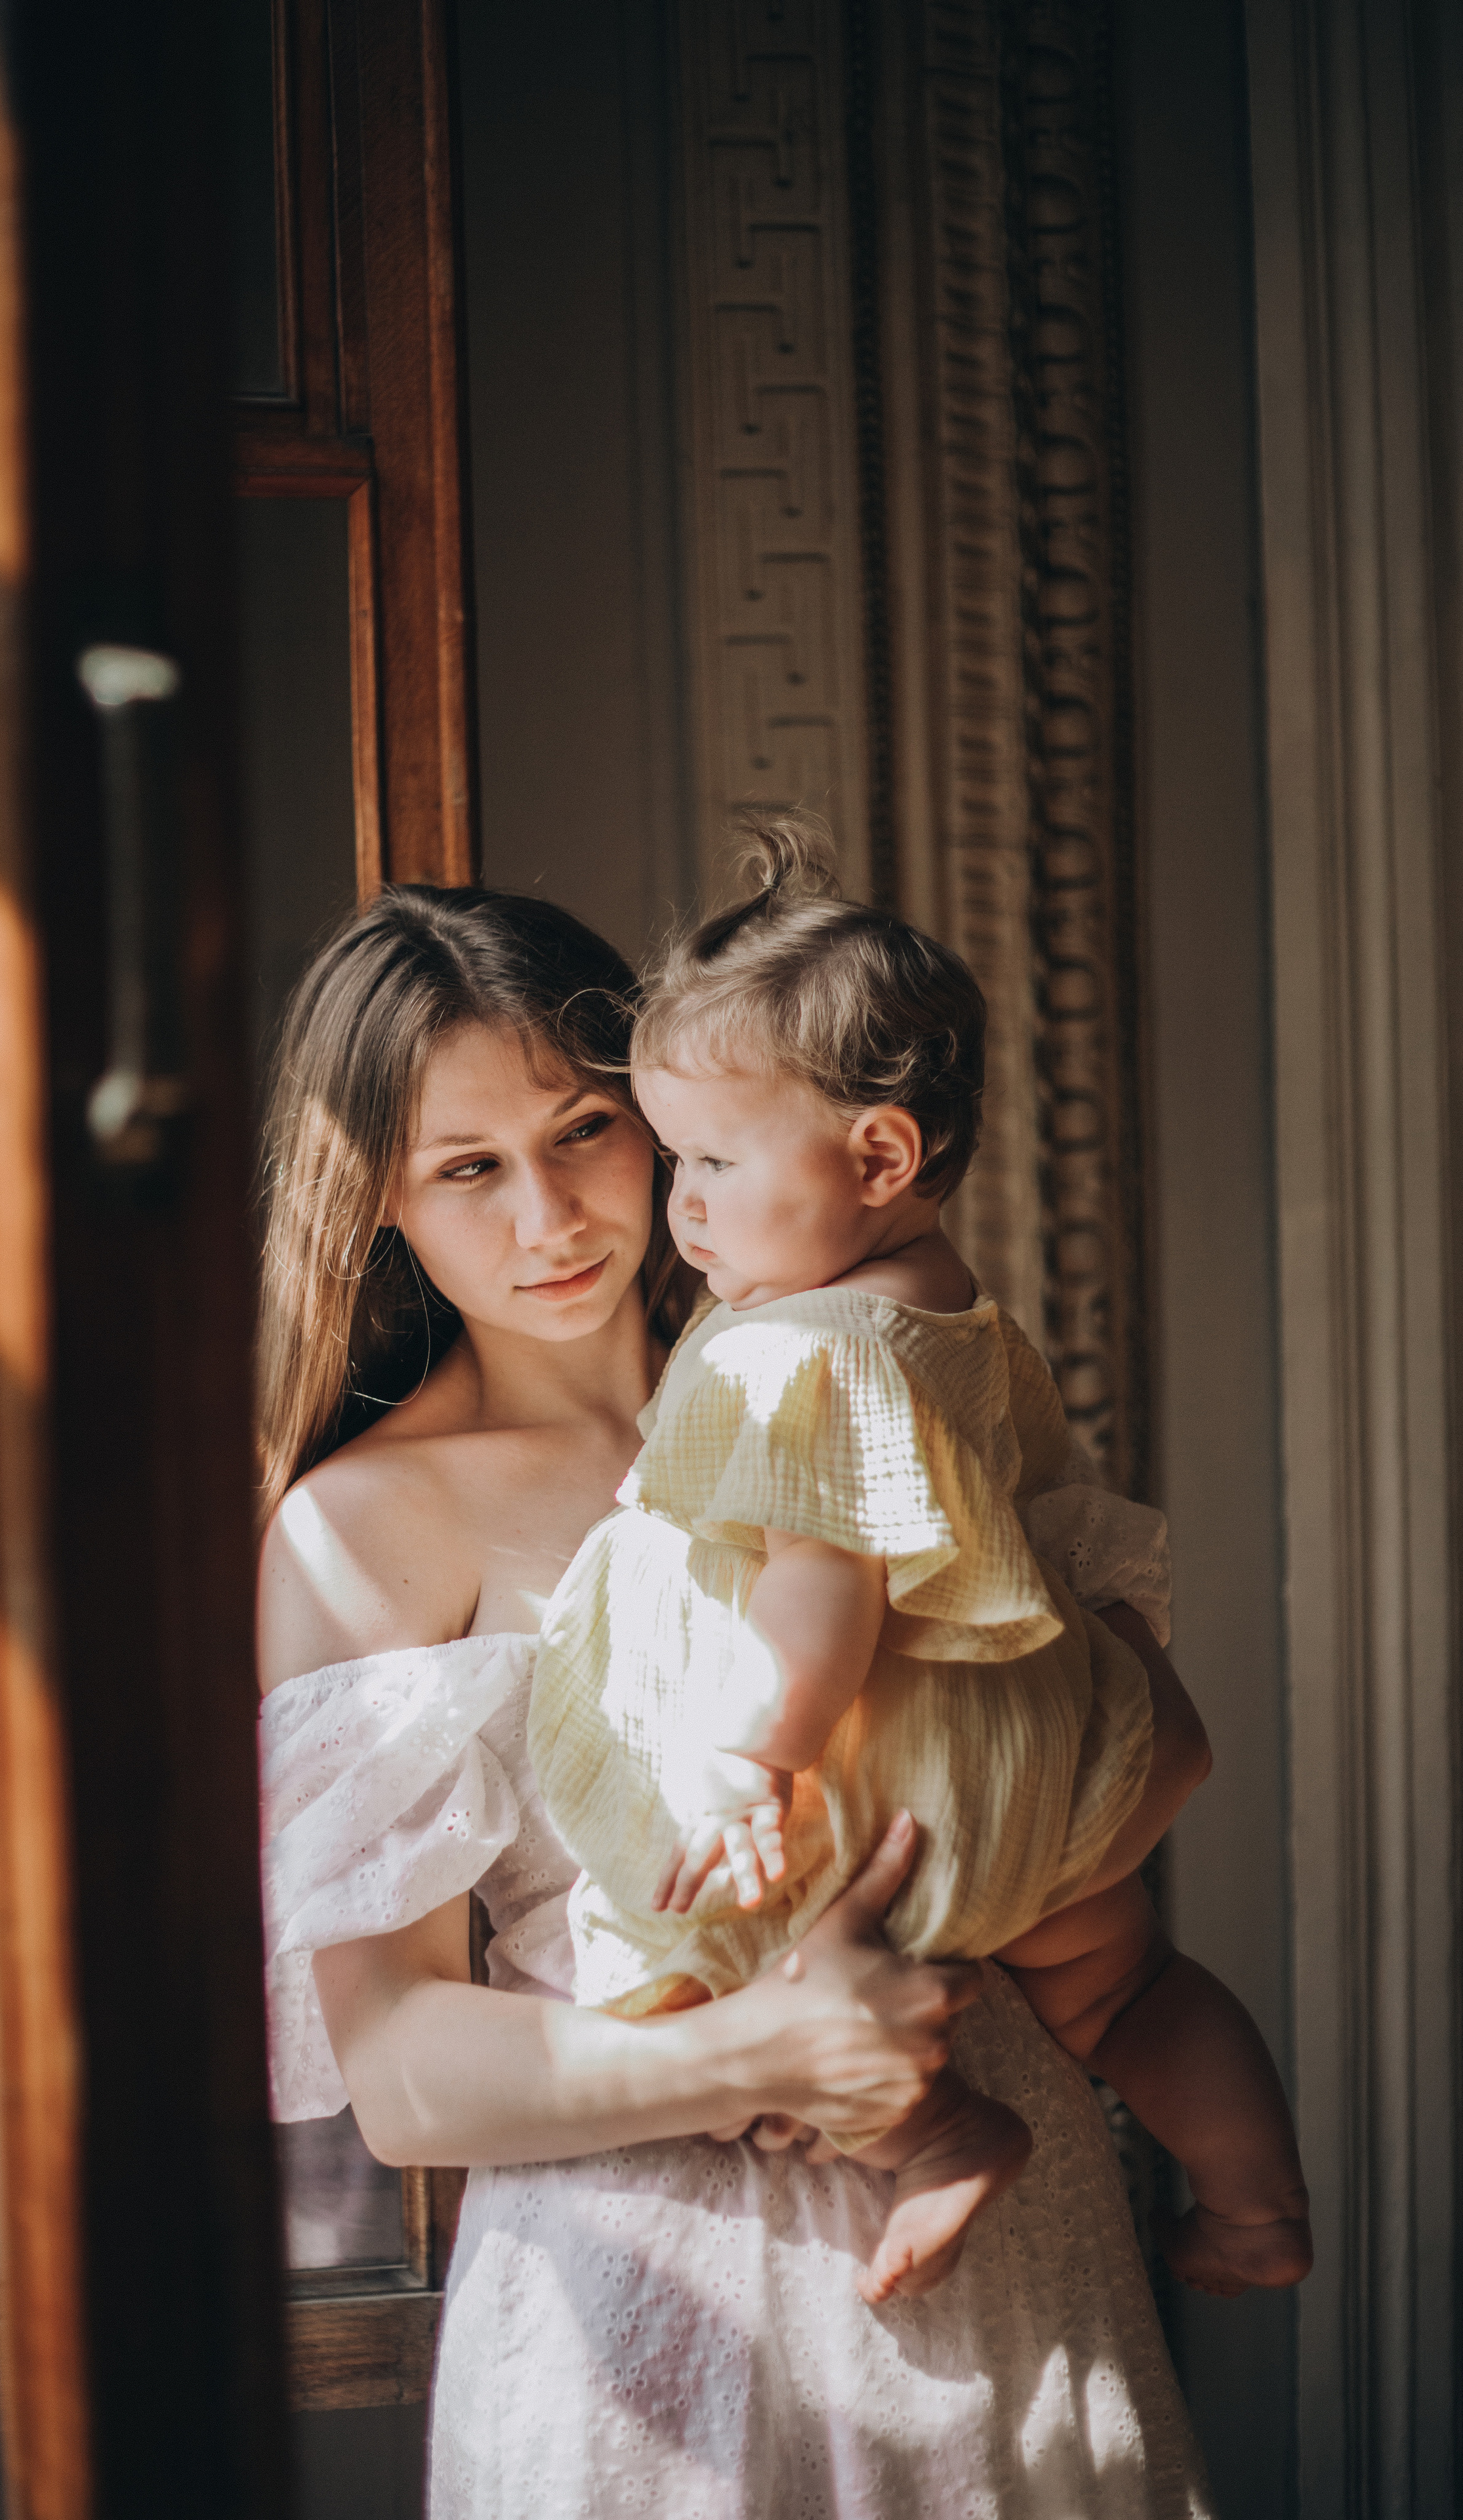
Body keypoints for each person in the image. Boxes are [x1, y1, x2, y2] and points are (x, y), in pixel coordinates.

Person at [257, 879, 1216, 2517]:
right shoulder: (368, 1526)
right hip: (657, 2301)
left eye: (583, 1130)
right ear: (376, 1205)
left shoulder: (866, 1372)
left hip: (1006, 2245)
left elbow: (1150, 1750)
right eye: (468, 1170)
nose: (549, 1217)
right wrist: (767, 2048)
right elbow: (406, 2078)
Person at [532, 820, 1311, 2309]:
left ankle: (942, 2131)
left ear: (877, 1154)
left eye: (706, 1157)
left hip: (889, 1778)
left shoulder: (797, 1350)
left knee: (686, 1959)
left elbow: (819, 1598)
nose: (676, 1200)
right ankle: (1254, 2206)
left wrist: (747, 1766)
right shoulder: (941, 1310)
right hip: (1035, 1748)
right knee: (1125, 1986)